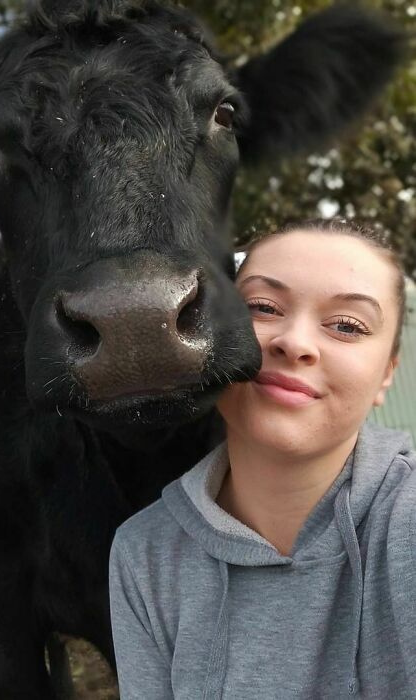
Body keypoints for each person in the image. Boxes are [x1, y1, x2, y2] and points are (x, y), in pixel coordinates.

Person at [109, 218, 414, 699]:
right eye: (262, 307)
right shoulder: (144, 553)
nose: (294, 342)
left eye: (346, 325)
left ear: (386, 375)